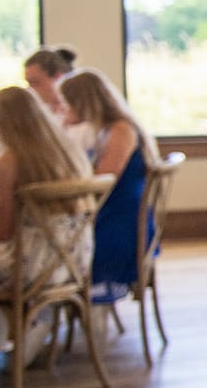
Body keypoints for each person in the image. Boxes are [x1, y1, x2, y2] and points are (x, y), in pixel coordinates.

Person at [0, 86, 94, 349]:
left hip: (32, 265)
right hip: (74, 259)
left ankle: (2, 331)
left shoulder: (9, 161)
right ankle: (22, 328)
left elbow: (3, 232)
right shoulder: (66, 151)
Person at [58, 69, 160, 301]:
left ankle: (59, 298)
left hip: (119, 218)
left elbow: (105, 179)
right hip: (109, 210)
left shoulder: (121, 129)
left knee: (57, 239)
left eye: (67, 104)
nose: (64, 110)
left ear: (83, 103)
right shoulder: (104, 129)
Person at [22, 45, 77, 119]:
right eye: (28, 83)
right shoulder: (35, 116)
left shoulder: (84, 116)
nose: (29, 89)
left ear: (59, 79)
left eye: (35, 83)